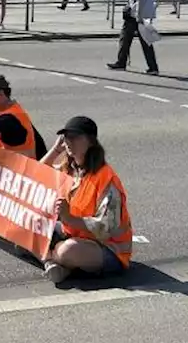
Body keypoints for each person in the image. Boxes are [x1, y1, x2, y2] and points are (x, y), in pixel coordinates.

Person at [39, 115, 134, 283]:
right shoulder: (70, 167)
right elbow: (36, 175)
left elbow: (106, 227)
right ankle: (54, 262)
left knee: (67, 250)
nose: (69, 141)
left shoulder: (106, 179)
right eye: (66, 137)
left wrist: (69, 218)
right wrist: (55, 151)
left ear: (90, 141)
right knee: (30, 223)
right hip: (74, 235)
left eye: (74, 137)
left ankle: (51, 258)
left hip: (108, 248)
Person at [107, 0, 159, 75]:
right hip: (146, 10)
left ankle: (122, 63)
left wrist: (138, 15)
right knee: (138, 38)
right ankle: (152, 67)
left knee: (127, 36)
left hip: (136, 12)